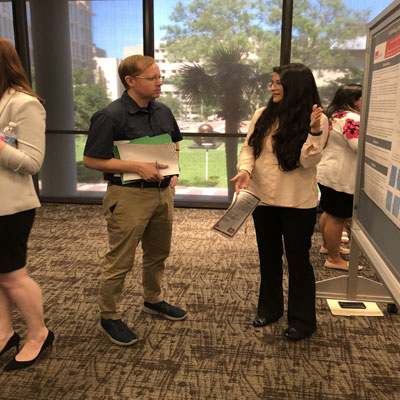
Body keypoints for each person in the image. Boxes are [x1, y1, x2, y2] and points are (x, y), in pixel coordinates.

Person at [83, 55, 187, 346]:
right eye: (152, 78)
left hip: (163, 193)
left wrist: (175, 171)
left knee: (158, 253)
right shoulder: (110, 116)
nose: (159, 82)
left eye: (160, 77)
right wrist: (136, 167)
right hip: (128, 195)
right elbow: (91, 160)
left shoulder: (163, 111)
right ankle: (109, 316)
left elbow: (174, 143)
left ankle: (153, 300)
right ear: (130, 81)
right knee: (120, 260)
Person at [231, 63, 328, 341]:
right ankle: (269, 308)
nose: (272, 87)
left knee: (298, 261)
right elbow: (249, 148)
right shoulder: (262, 114)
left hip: (297, 201)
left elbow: (308, 161)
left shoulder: (317, 119)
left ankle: (302, 320)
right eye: (272, 82)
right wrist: (245, 170)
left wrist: (313, 132)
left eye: (277, 83)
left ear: (294, 86)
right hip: (262, 199)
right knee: (268, 257)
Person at [0, 38, 54, 371]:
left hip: (10, 207)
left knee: (12, 276)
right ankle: (4, 332)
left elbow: (32, 163)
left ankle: (39, 333)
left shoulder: (24, 104)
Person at [317, 84, 363, 271]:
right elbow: (358, 146)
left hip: (328, 172)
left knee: (329, 212)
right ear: (355, 100)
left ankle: (328, 247)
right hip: (341, 177)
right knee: (337, 217)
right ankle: (334, 258)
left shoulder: (336, 115)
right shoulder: (353, 118)